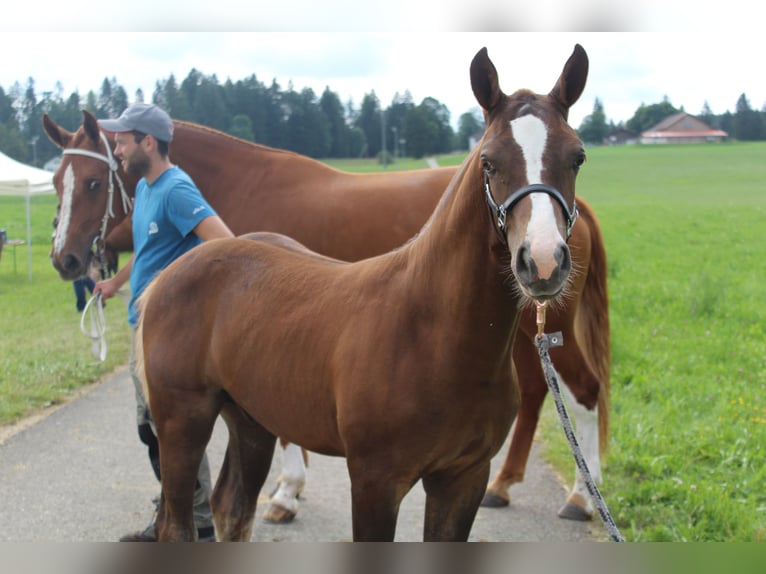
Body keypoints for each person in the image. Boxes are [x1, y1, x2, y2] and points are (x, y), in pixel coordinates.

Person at [94, 103, 235, 542]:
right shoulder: (146, 191)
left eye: (122, 139)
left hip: (169, 337)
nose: (116, 148)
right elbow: (146, 250)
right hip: (143, 329)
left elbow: (225, 244)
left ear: (147, 143)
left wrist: (181, 301)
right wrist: (116, 283)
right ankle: (172, 516)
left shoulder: (176, 189)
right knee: (153, 430)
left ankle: (198, 526)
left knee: (175, 432)